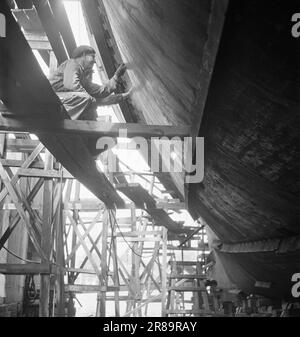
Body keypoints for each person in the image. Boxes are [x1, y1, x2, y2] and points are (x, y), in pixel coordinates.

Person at [49, 45, 131, 121]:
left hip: (64, 102)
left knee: (90, 101)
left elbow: (100, 91)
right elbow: (71, 85)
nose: (94, 61)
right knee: (88, 100)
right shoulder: (72, 63)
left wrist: (116, 76)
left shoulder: (82, 79)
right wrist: (91, 100)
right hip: (53, 100)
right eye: (92, 56)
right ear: (84, 54)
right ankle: (67, 118)